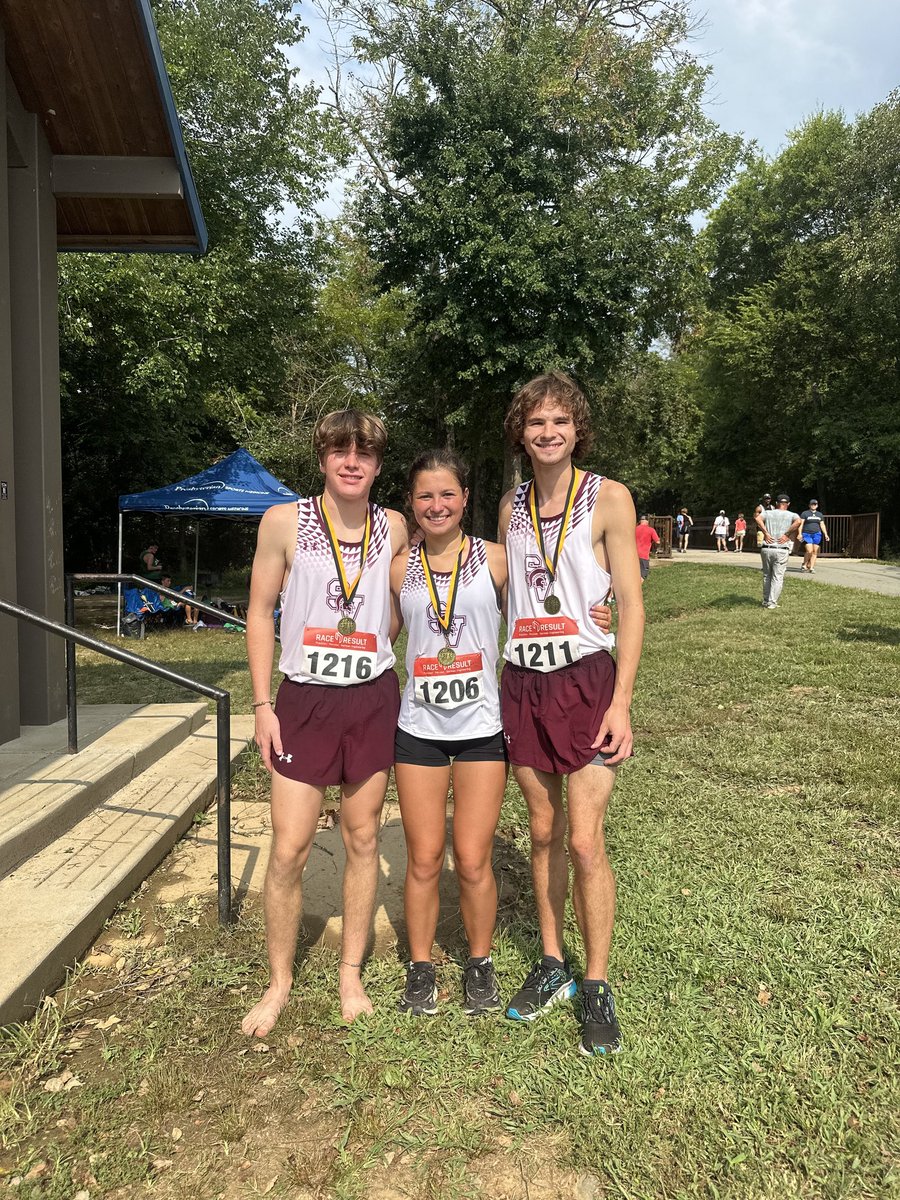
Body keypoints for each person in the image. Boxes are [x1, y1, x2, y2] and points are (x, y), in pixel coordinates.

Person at [390, 450, 612, 1018]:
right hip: (418, 727)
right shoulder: (397, 568)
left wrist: (600, 607)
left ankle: (480, 964)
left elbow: (556, 580)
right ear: (411, 504)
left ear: (466, 499)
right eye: (424, 496)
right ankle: (420, 968)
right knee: (422, 858)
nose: (436, 505)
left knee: (472, 857)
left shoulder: (495, 559)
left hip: (483, 726)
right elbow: (373, 623)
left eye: (448, 494)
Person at [241, 409, 408, 1036]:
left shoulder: (392, 525)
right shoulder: (283, 521)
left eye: (364, 453)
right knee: (289, 849)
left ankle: (349, 973)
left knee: (363, 838)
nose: (352, 462)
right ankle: (279, 982)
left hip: (369, 698)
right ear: (321, 458)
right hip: (303, 702)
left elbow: (413, 595)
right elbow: (260, 613)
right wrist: (262, 704)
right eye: (340, 450)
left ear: (377, 464)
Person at [499, 371, 645, 1057]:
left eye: (559, 420)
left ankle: (594, 981)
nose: (548, 432)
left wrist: (620, 700)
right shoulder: (509, 506)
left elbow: (633, 605)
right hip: (524, 683)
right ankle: (552, 962)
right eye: (536, 422)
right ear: (521, 432)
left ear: (576, 428)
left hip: (588, 683)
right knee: (541, 830)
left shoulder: (609, 498)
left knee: (585, 841)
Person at [755, 493, 802, 609]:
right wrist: (787, 534)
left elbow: (758, 518)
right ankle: (772, 602)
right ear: (788, 504)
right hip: (781, 548)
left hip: (767, 547)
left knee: (767, 575)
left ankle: (765, 600)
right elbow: (799, 521)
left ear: (776, 503)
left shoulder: (768, 513)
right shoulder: (792, 515)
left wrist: (766, 533)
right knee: (778, 576)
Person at [799, 499, 830, 573]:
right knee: (809, 550)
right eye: (812, 504)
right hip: (806, 534)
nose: (813, 505)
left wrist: (826, 534)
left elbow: (822, 525)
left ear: (817, 505)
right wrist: (799, 533)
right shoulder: (805, 513)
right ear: (809, 505)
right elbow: (801, 524)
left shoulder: (819, 514)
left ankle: (811, 567)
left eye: (815, 504)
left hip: (817, 534)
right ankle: (804, 564)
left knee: (815, 551)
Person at [634, 514, 660, 583]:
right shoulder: (651, 530)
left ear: (640, 521)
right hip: (644, 556)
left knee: (633, 574)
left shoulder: (634, 529)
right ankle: (638, 591)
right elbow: (657, 541)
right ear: (647, 521)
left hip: (633, 555)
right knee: (642, 575)